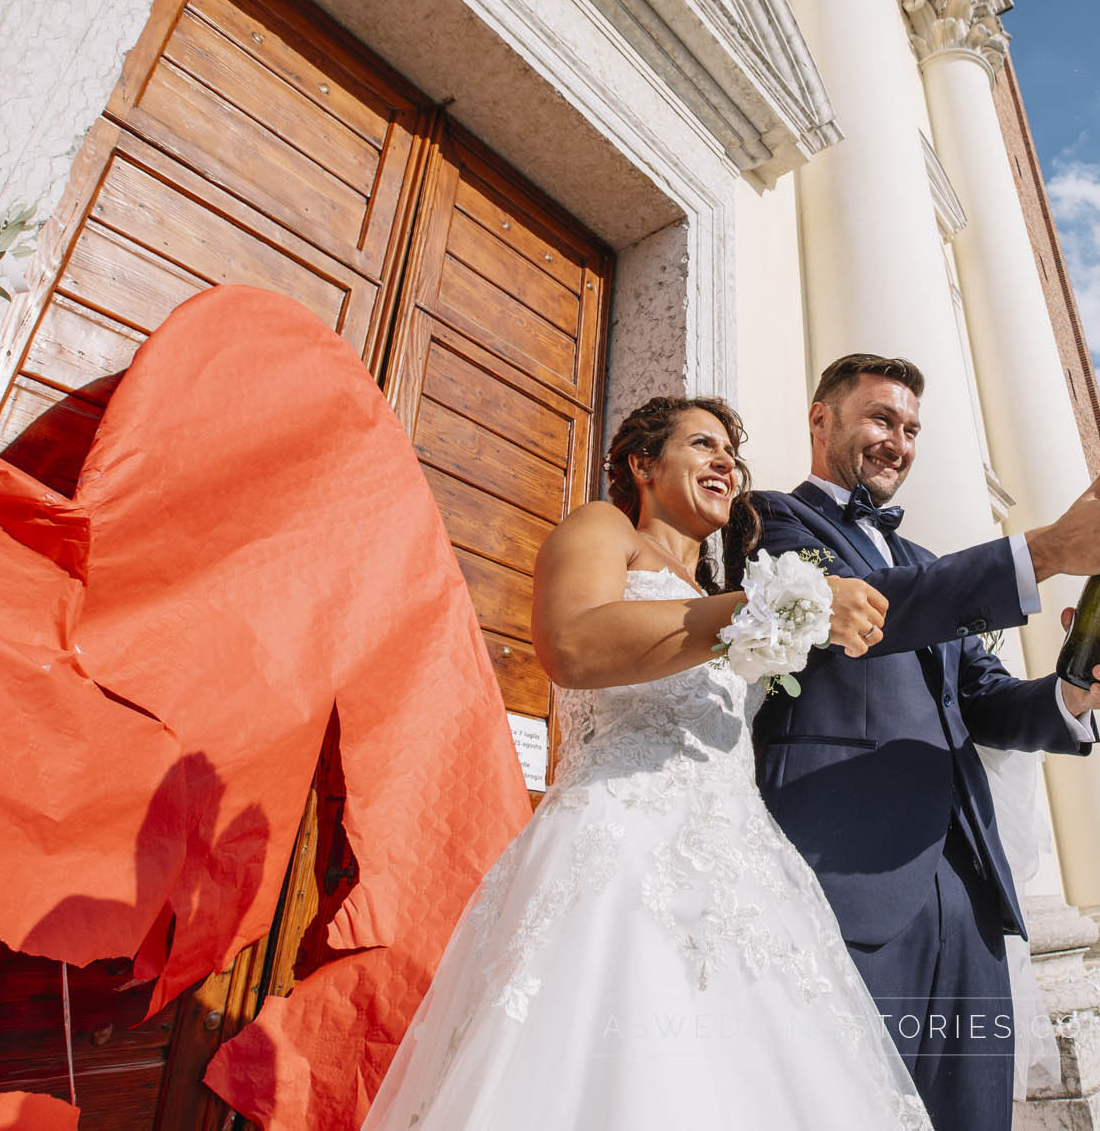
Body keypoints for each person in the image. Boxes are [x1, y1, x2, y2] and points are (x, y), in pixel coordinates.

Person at [361, 397, 931, 1128]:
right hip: (623, 850)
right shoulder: (607, 530)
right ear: (642, 463)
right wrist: (766, 609)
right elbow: (572, 644)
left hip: (741, 877)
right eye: (703, 444)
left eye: (733, 452)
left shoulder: (719, 591)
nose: (727, 463)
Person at [751, 354, 1100, 1131]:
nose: (899, 441)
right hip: (842, 877)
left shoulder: (923, 561)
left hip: (969, 887)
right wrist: (1047, 550)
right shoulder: (769, 520)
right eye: (882, 419)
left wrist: (1077, 690)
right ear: (821, 418)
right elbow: (874, 611)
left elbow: (985, 698)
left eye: (912, 428)